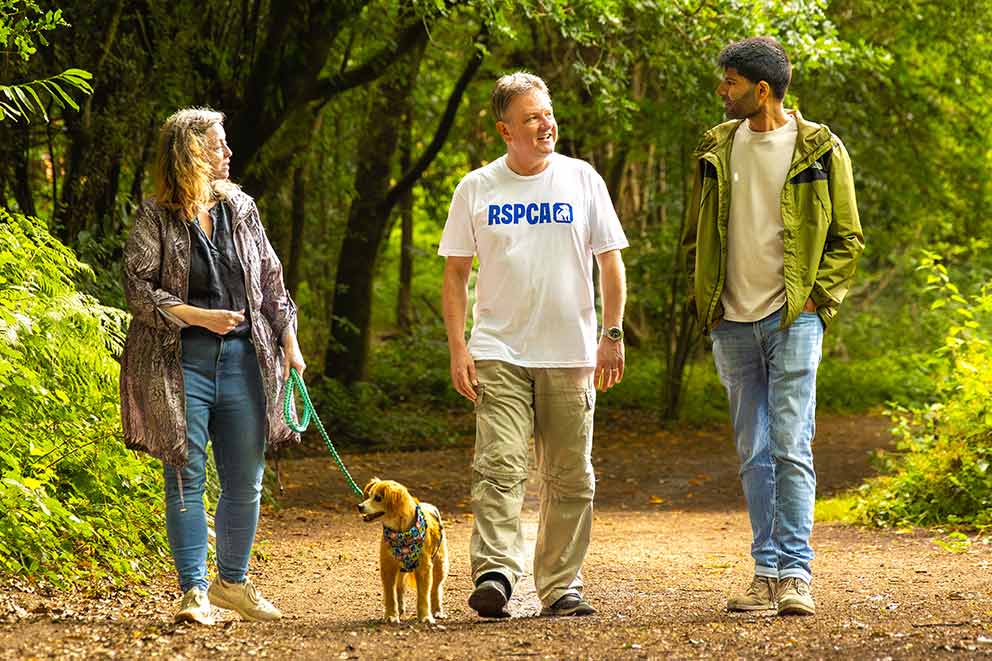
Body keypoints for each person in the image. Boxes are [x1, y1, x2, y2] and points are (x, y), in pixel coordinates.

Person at [681, 38, 864, 616]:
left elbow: (848, 237)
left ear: (761, 90)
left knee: (790, 444)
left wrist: (815, 300)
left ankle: (795, 575)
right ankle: (765, 573)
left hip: (794, 318)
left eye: (730, 82)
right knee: (754, 451)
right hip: (731, 321)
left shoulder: (820, 148)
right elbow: (696, 234)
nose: (722, 91)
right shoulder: (716, 146)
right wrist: (706, 299)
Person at [440, 72, 629, 618]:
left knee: (571, 476)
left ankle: (560, 585)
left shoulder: (582, 179)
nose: (546, 125)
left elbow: (610, 262)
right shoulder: (477, 187)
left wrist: (612, 334)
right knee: (499, 465)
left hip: (570, 353)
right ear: (505, 130)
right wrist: (458, 347)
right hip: (499, 350)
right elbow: (455, 274)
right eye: (531, 118)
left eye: (548, 114)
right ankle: (496, 572)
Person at [120, 107, 305, 625]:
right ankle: (194, 591)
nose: (228, 152)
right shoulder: (155, 217)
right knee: (185, 475)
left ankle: (233, 584)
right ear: (189, 154)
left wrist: (291, 345)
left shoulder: (241, 208)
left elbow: (271, 281)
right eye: (217, 144)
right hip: (180, 363)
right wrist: (200, 317)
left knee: (246, 479)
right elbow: (138, 289)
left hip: (245, 360)